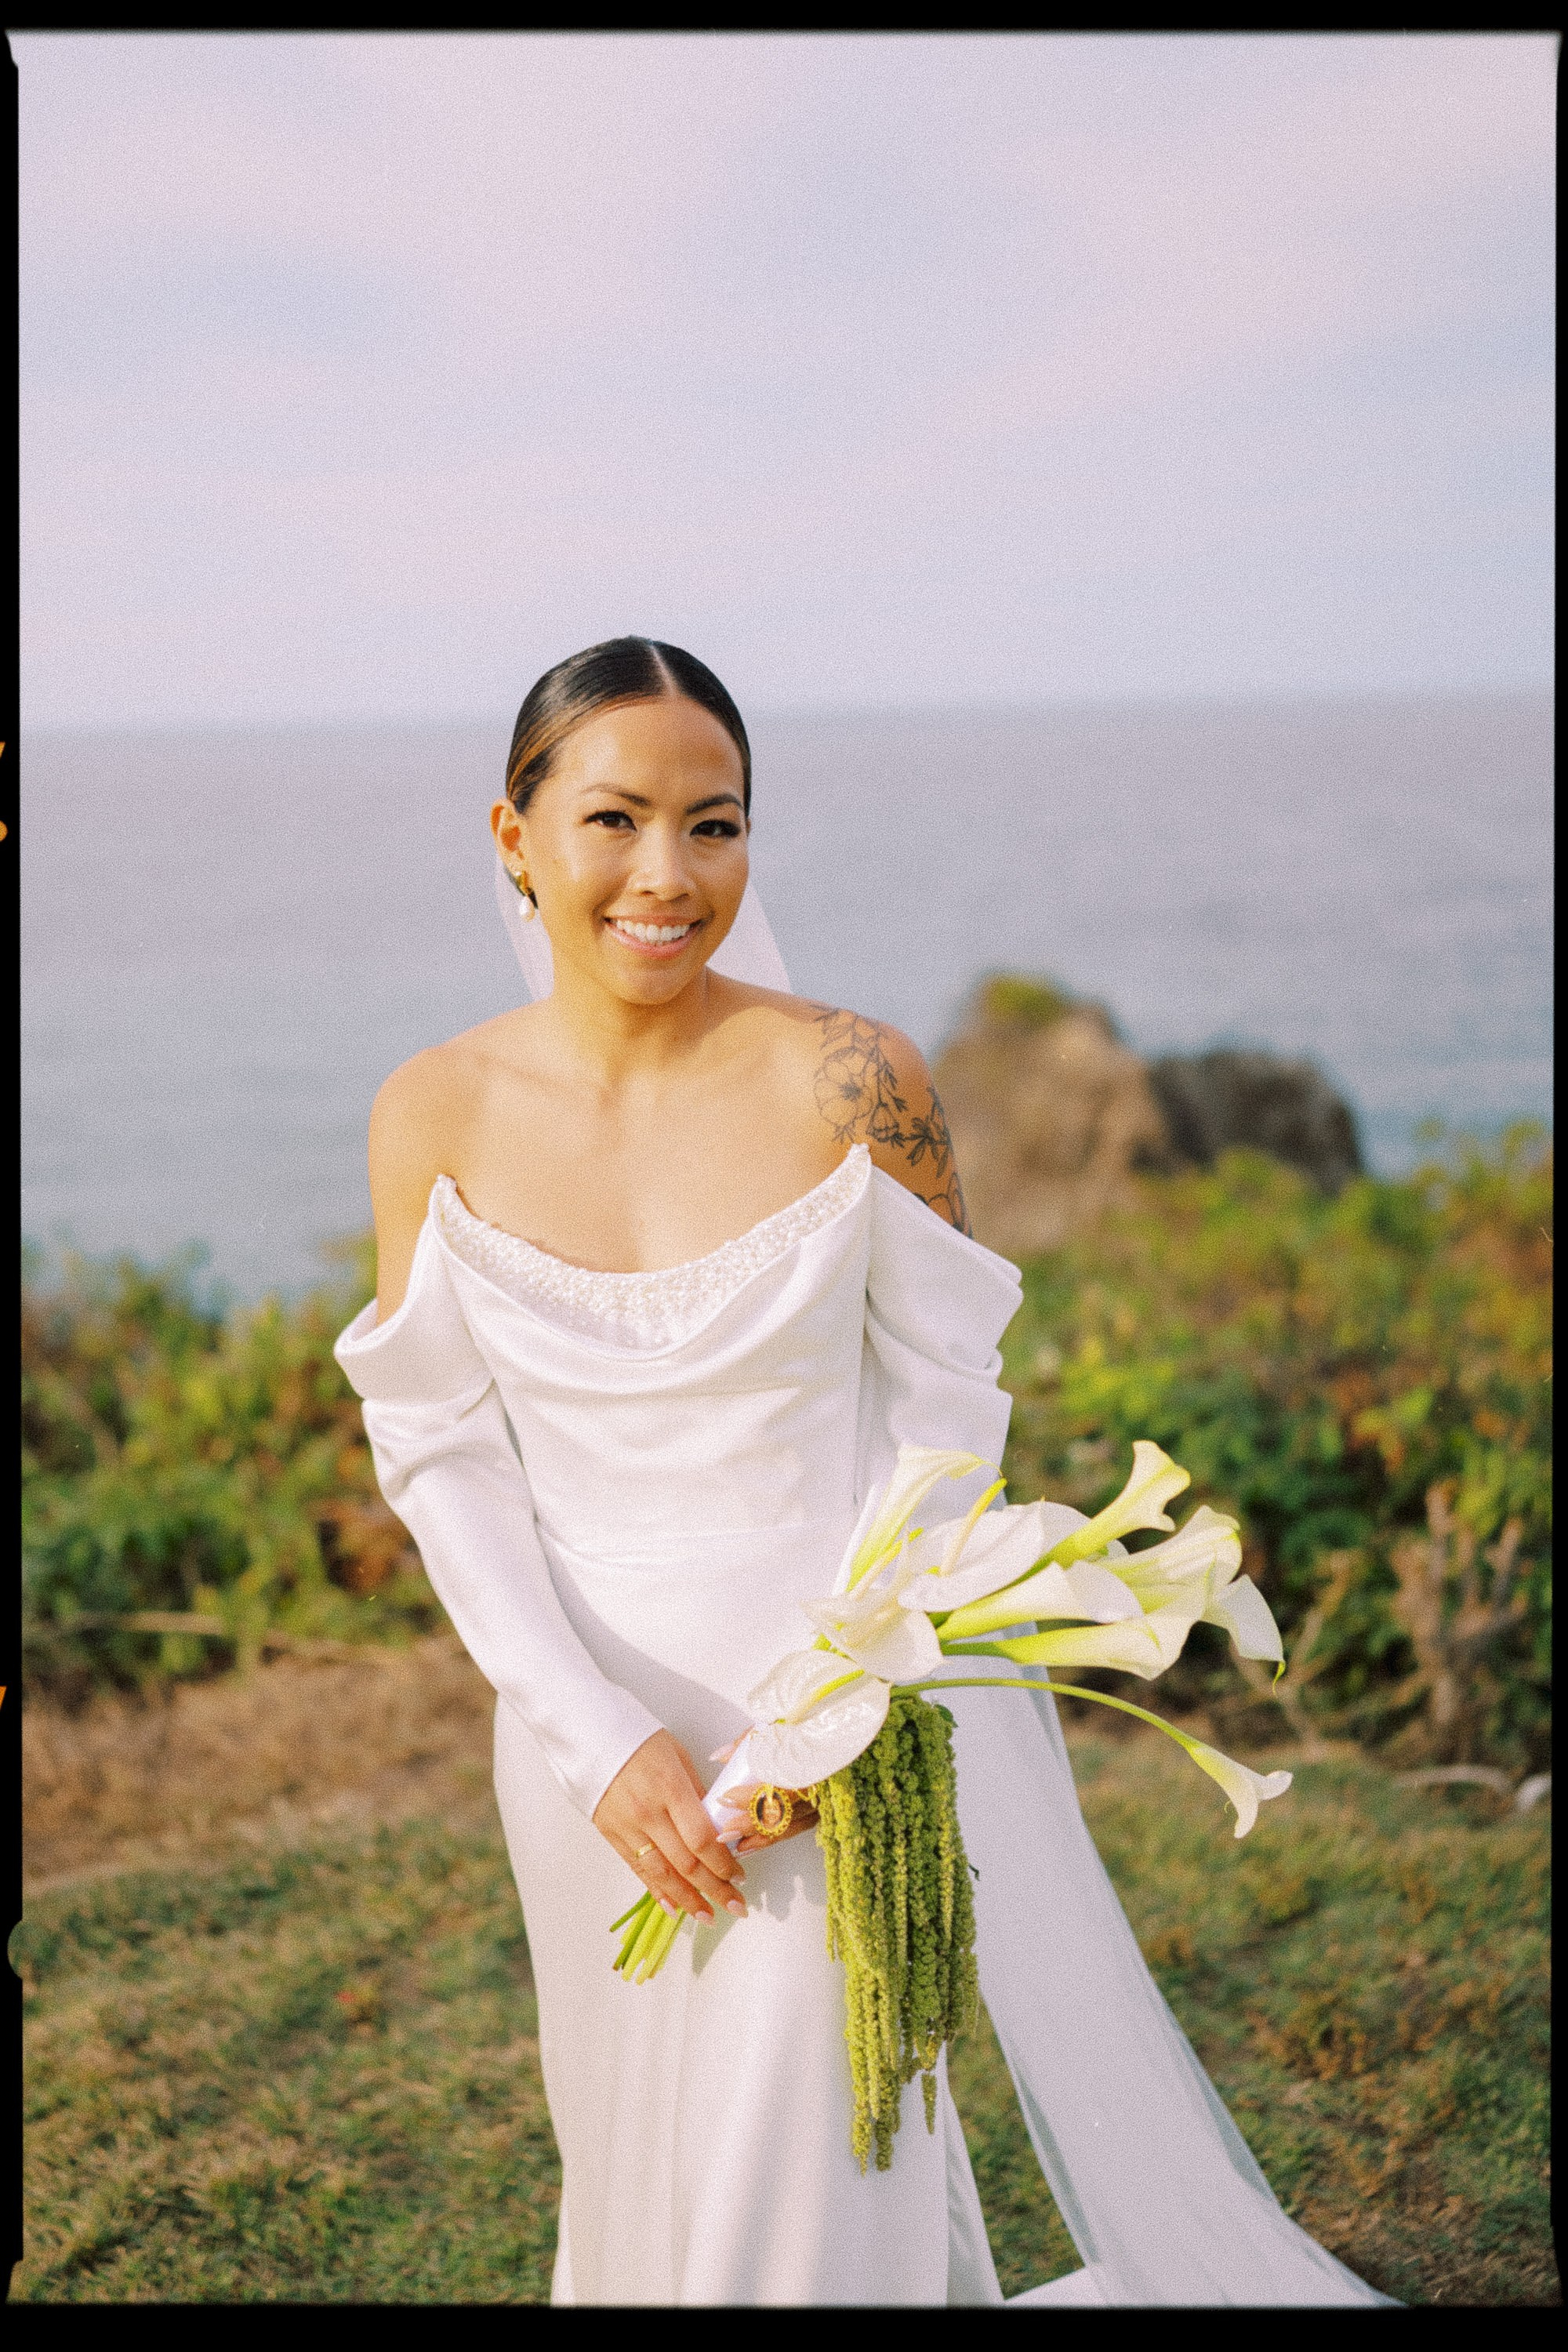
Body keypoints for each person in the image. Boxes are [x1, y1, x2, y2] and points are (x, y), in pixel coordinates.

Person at [335, 637, 1390, 2307]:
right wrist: (596, 1736)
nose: (667, 877)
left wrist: (833, 1701)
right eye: (613, 820)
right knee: (639, 2172)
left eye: (716, 822)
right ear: (513, 837)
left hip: (832, 1722)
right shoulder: (433, 1109)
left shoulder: (859, 1078)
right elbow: (439, 1451)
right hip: (579, 1739)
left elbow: (945, 1409)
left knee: (804, 2172)